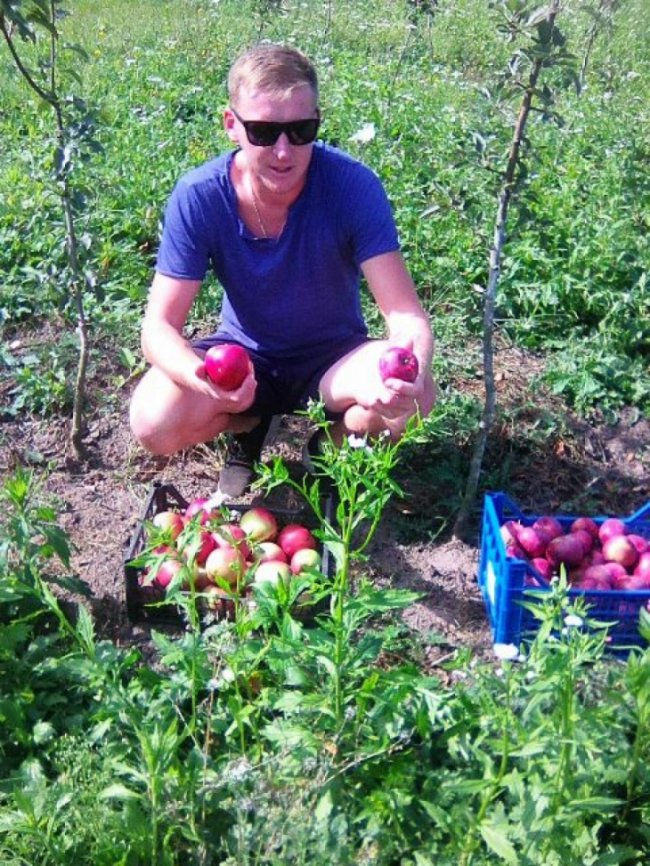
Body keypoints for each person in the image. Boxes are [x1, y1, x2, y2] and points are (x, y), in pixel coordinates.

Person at [129, 42, 435, 499]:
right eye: (263, 131)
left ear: (318, 121)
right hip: (245, 361)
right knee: (152, 419)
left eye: (300, 130)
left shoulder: (352, 186)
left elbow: (406, 315)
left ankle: (327, 447)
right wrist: (202, 378)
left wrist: (409, 371)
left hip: (334, 360)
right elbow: (158, 329)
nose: (283, 151)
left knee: (418, 399)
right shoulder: (201, 195)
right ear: (231, 125)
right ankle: (248, 424)